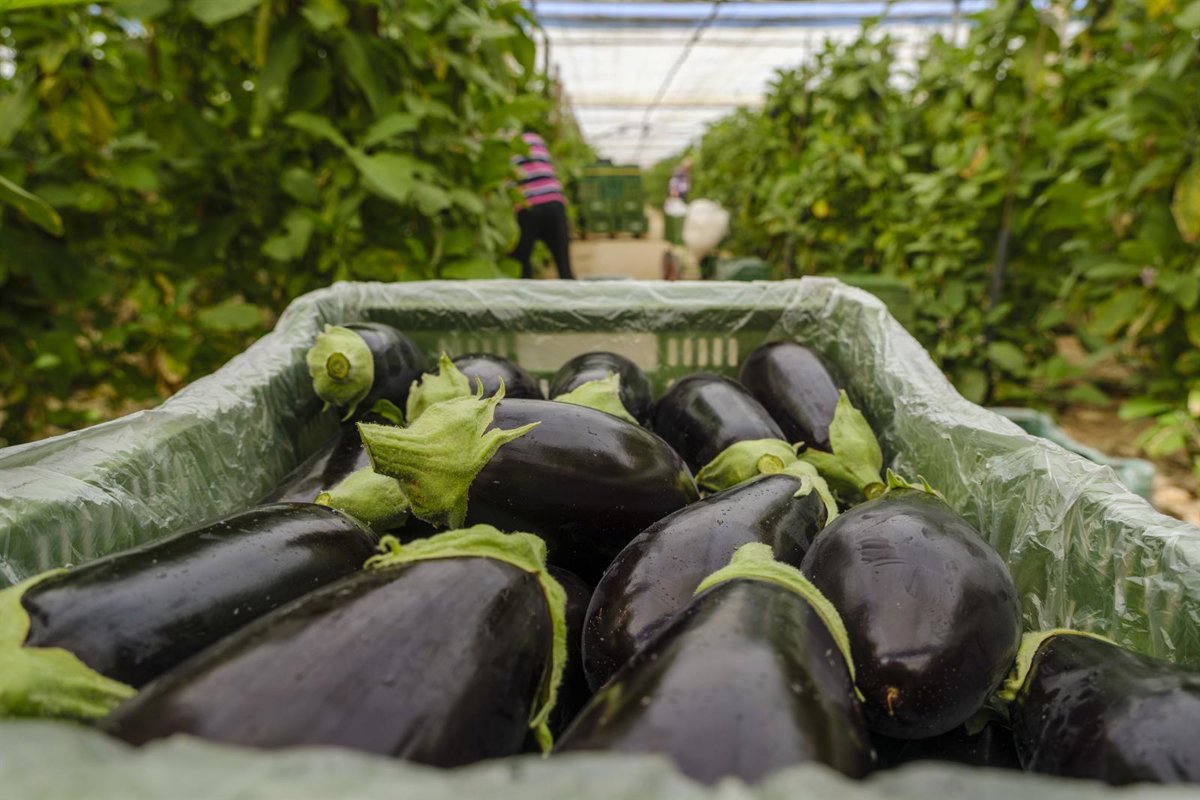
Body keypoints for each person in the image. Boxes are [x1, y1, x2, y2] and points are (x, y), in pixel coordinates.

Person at [510, 131, 574, 280]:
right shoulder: (537, 139)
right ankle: (573, 298)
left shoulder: (505, 144)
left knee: (521, 263)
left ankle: (523, 301)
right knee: (564, 266)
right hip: (554, 203)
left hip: (527, 207)